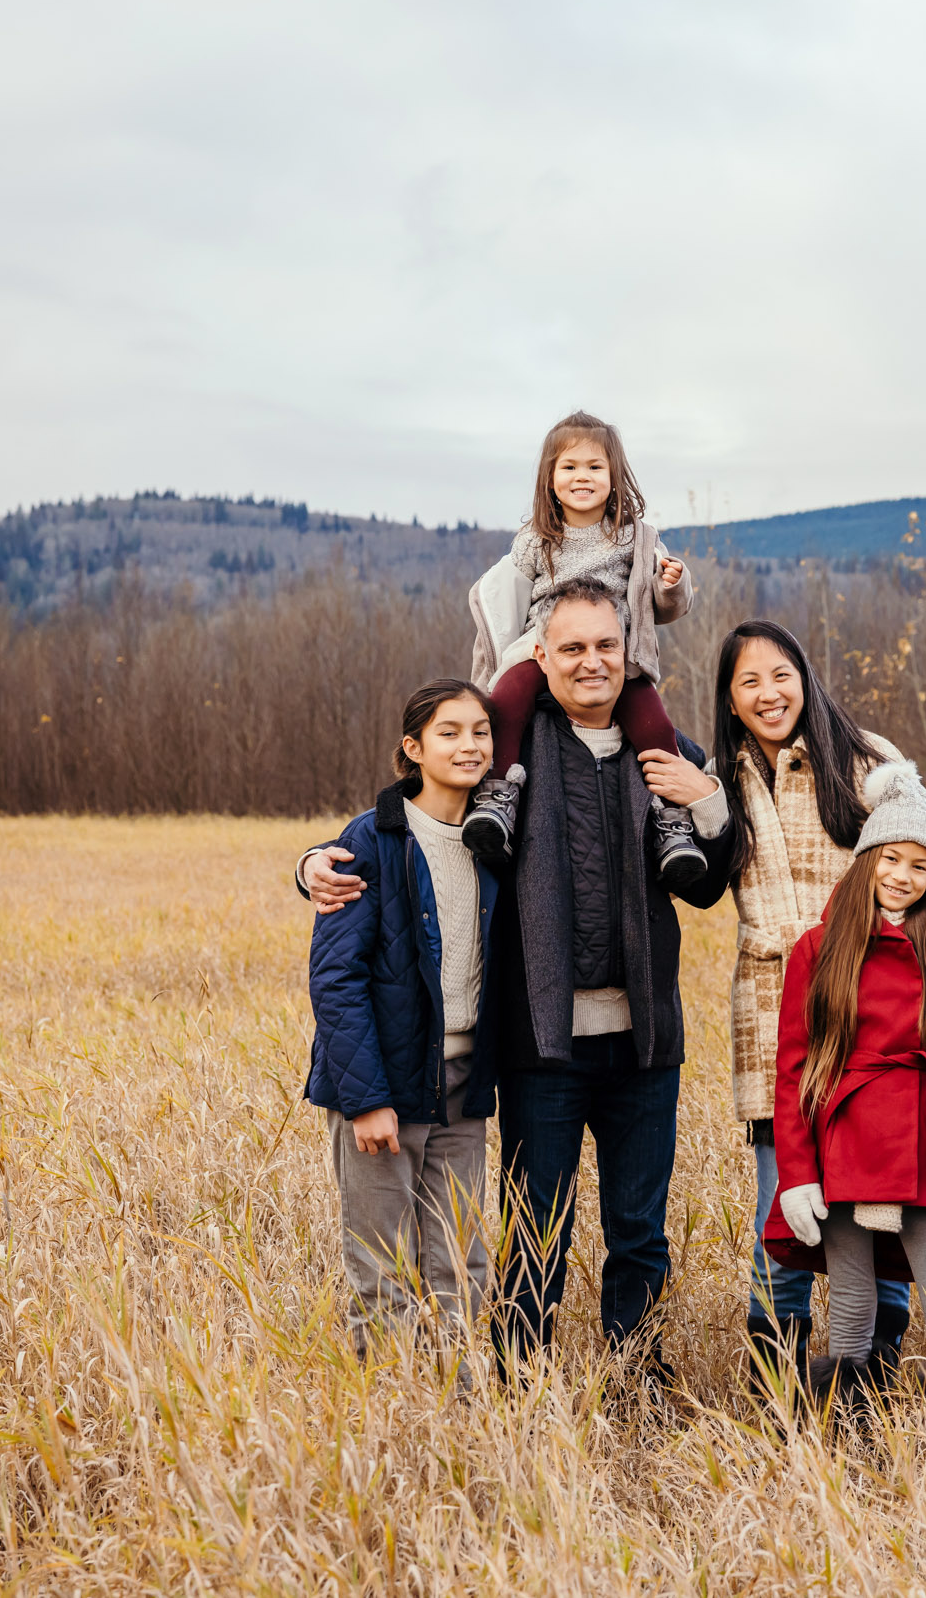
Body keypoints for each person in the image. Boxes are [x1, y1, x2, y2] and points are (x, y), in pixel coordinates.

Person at [298, 580, 732, 1379]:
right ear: (541, 656)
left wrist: (706, 801)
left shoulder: (669, 753)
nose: (591, 661)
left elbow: (706, 885)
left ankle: (636, 1377)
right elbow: (407, 826)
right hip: (541, 1045)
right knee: (537, 1226)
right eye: (571, 647)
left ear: (629, 651)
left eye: (605, 645)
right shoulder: (509, 753)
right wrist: (313, 864)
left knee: (640, 1230)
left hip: (646, 1046)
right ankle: (518, 1379)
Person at [695, 620, 926, 1392]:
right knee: (790, 1203)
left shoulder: (864, 760)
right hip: (781, 1014)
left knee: (898, 1204)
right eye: (749, 682)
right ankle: (779, 1386)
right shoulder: (722, 779)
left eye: (781, 674)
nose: (769, 693)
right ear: (730, 699)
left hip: (886, 999)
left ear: (805, 676)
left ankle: (877, 1370)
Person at [761, 761, 926, 1420]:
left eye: (919, 865)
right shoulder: (818, 949)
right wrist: (798, 1176)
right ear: (866, 858)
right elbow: (794, 1072)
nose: (901, 875)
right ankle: (849, 1442)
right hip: (846, 1147)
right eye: (890, 857)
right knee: (851, 1312)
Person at [304, 679, 502, 1355]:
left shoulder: (496, 836)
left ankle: (463, 1420)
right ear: (413, 748)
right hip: (384, 1084)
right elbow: (335, 977)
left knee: (464, 1268)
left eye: (480, 730)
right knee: (380, 1270)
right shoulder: (374, 837)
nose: (469, 744)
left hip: (463, 1087)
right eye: (449, 731)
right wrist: (366, 1100)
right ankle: (391, 1423)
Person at [462, 411, 704, 885]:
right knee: (507, 699)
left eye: (595, 467)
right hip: (544, 644)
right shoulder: (537, 540)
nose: (582, 477)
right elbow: (505, 594)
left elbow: (666, 603)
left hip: (616, 652)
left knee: (653, 721)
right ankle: (498, 797)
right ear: (550, 480)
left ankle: (671, 822)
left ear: (614, 478)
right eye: (569, 467)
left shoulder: (635, 536)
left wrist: (670, 583)